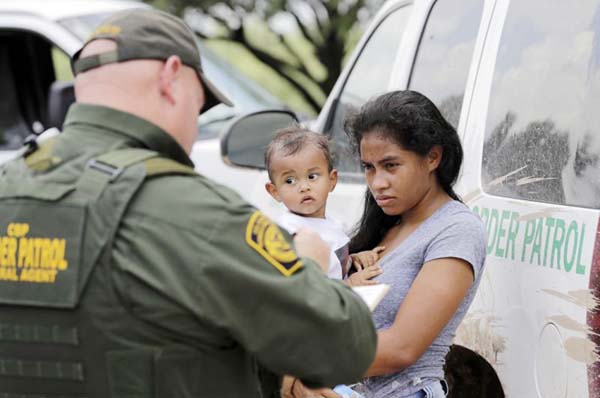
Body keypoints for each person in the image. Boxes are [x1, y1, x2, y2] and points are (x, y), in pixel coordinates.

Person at [0, 9, 377, 398]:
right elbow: (347, 347)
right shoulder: (193, 210)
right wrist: (310, 268)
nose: (194, 128)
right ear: (171, 78)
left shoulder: (8, 187)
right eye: (198, 106)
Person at [291, 90, 486, 398]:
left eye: (391, 165)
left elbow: (402, 348)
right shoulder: (385, 226)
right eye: (369, 167)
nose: (377, 182)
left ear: (433, 157)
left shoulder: (456, 229)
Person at [264, 126, 385, 286]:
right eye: (290, 181)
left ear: (332, 180)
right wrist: (349, 283)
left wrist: (353, 259)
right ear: (275, 191)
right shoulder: (291, 233)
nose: (304, 187)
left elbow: (332, 264)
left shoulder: (331, 223)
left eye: (312, 176)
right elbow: (306, 288)